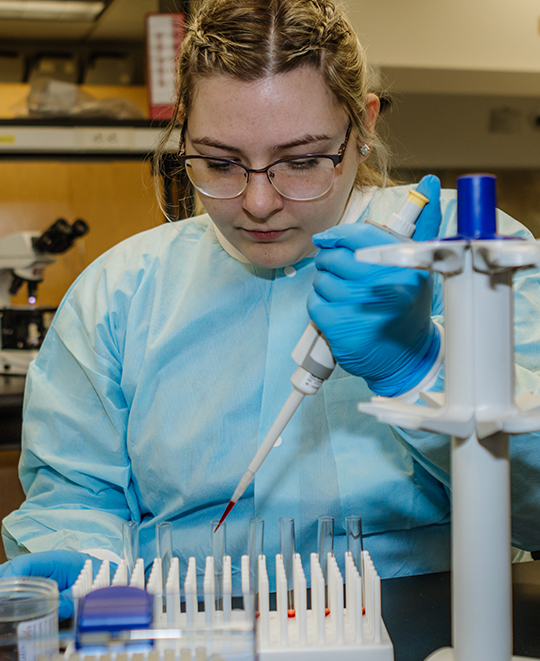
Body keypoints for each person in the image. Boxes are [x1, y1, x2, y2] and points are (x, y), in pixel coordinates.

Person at [2, 0, 540, 621]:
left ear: (361, 128)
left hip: (434, 626)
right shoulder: (120, 292)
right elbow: (75, 499)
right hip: (186, 628)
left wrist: (423, 366)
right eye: (221, 162)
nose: (258, 202)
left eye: (304, 160)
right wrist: (88, 566)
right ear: (183, 135)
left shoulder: (470, 250)